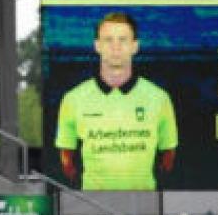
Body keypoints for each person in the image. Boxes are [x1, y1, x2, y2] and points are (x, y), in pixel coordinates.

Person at [55, 12, 176, 190]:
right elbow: (66, 160)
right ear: (97, 46)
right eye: (108, 40)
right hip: (93, 202)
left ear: (135, 46)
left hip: (144, 201)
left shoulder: (159, 98)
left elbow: (168, 156)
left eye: (123, 40)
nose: (116, 47)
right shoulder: (73, 99)